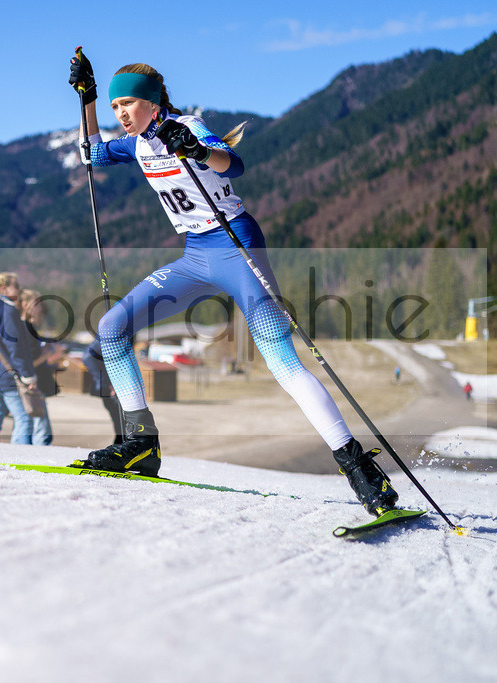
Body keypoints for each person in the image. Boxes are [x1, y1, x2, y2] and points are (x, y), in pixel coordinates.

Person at [67, 50, 398, 516]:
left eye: (127, 104)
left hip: (237, 246)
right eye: (115, 106)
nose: (120, 113)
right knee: (112, 327)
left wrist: (197, 149)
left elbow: (233, 165)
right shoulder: (136, 144)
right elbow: (93, 153)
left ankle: (359, 468)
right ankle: (139, 444)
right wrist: (87, 97)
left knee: (281, 358)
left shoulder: (187, 125)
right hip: (195, 256)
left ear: (153, 103)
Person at [0, 272, 38, 445]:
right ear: (3, 288)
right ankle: (20, 458)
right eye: (16, 286)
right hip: (6, 375)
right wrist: (28, 376)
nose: (20, 290)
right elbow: (16, 349)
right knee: (24, 419)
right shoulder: (8, 312)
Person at [20, 289, 62, 445]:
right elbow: (29, 362)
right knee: (41, 431)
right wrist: (47, 353)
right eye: (37, 304)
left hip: (31, 383)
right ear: (25, 305)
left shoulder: (23, 327)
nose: (40, 308)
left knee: (30, 427)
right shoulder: (27, 328)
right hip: (32, 384)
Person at [82, 338, 124, 445]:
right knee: (120, 419)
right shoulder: (109, 336)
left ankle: (121, 444)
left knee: (122, 420)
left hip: (115, 386)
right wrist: (107, 384)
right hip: (111, 388)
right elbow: (88, 357)